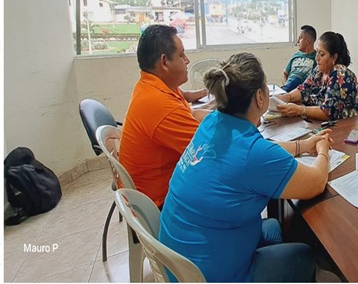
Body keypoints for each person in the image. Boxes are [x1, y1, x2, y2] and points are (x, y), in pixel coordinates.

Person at [159, 52, 332, 282]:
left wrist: (302, 145)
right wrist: (322, 149)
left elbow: (260, 151)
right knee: (304, 254)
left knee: (273, 226)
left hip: (178, 261)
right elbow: (316, 181)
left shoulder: (212, 121)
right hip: (210, 275)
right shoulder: (253, 154)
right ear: (260, 97)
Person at [120, 24, 210, 208]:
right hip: (160, 204)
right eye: (181, 55)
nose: (187, 60)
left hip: (158, 189)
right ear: (164, 62)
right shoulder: (160, 104)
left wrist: (223, 117)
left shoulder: (153, 86)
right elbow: (212, 151)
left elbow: (192, 114)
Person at [276, 31, 358, 121]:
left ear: (334, 57)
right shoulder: (319, 70)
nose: (316, 58)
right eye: (317, 52)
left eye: (322, 54)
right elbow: (304, 89)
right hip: (320, 122)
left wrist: (300, 110)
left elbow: (328, 112)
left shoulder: (340, 75)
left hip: (343, 125)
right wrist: (286, 97)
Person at [281, 25, 317, 92]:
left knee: (296, 81)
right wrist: (286, 86)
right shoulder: (295, 55)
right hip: (288, 88)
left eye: (300, 38)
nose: (298, 41)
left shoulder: (317, 57)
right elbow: (285, 74)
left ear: (308, 40)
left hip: (302, 90)